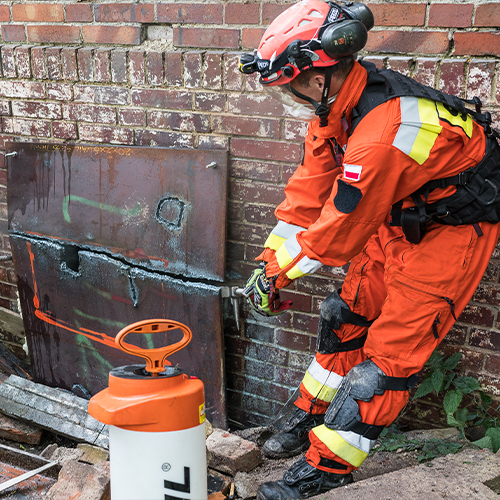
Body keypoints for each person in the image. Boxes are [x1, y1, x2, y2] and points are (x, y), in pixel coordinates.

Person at [239, 1, 500, 498]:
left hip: (451, 235)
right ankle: (308, 413)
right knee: (344, 316)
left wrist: (280, 277)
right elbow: (306, 196)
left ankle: (326, 467)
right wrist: (267, 264)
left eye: (286, 87)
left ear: (317, 79)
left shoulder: (384, 132)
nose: (284, 98)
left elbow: (339, 232)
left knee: (383, 366)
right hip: (398, 218)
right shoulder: (338, 108)